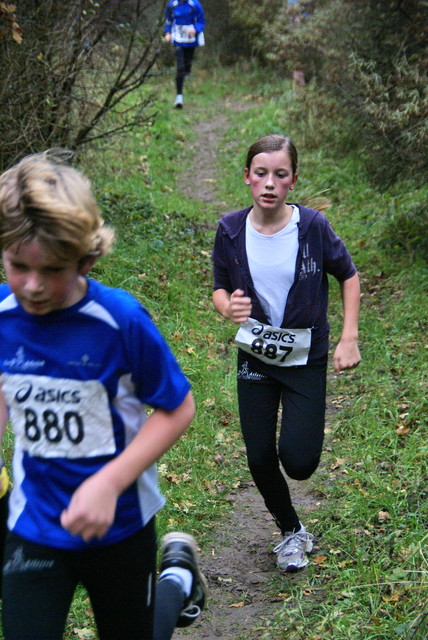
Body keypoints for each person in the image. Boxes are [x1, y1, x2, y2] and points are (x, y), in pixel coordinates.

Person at [0, 152, 207, 640]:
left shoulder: (121, 321)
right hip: (35, 524)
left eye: (51, 269)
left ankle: (176, 582)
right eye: (17, 266)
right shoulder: (2, 317)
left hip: (120, 526)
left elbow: (178, 408)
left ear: (86, 259)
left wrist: (109, 483)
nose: (32, 285)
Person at [212, 134, 361, 572]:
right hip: (256, 353)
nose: (269, 183)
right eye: (261, 174)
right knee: (258, 455)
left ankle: (295, 499)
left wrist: (348, 336)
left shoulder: (312, 227)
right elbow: (219, 289)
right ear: (247, 178)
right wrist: (227, 307)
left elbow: (348, 276)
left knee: (298, 462)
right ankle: (291, 530)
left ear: (293, 180)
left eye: (280, 175)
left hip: (304, 356)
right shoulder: (230, 229)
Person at [164, 0, 205, 109]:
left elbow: (201, 21)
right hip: (177, 39)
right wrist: (167, 32)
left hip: (191, 41)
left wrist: (196, 29)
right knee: (180, 67)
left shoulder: (195, 4)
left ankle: (185, 74)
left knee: (187, 67)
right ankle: (179, 97)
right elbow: (168, 20)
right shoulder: (172, 5)